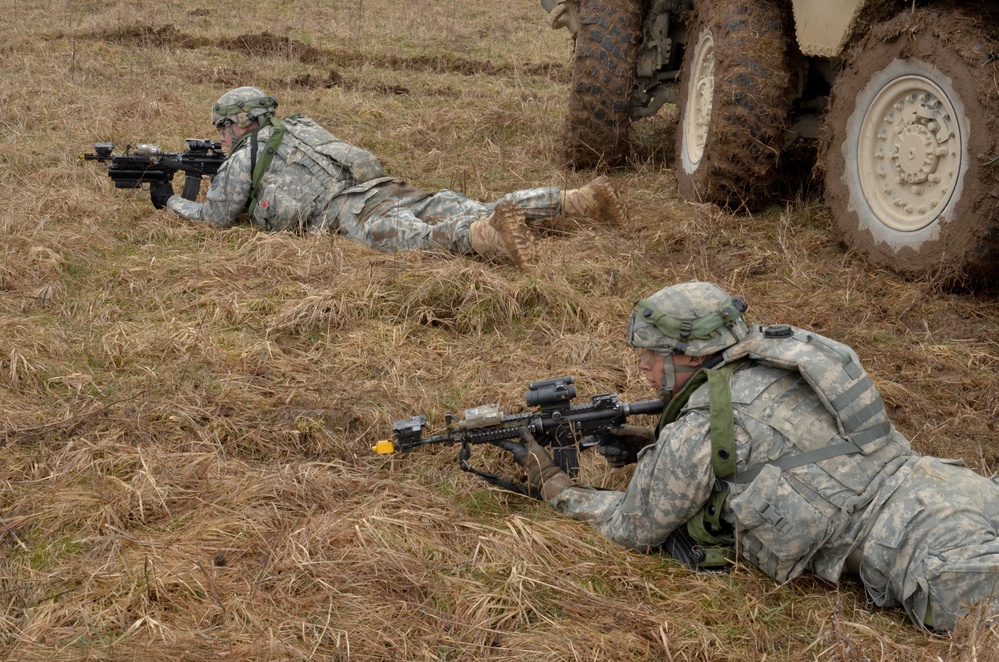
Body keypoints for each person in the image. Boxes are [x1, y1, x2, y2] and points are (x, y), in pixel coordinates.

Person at [500, 280, 999, 631]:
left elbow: (632, 528)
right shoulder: (786, 354)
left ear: (694, 355)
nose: (643, 365)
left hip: (927, 555)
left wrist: (559, 490)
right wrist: (649, 444)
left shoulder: (701, 428)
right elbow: (788, 441)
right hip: (958, 488)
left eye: (655, 353)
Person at [149, 86, 627, 268]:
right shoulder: (299, 125)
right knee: (468, 202)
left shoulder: (242, 157)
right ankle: (574, 199)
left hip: (352, 211)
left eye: (223, 128)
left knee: (420, 240)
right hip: (386, 187)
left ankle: (491, 236)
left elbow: (217, 217)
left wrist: (169, 200)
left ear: (238, 123)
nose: (222, 137)